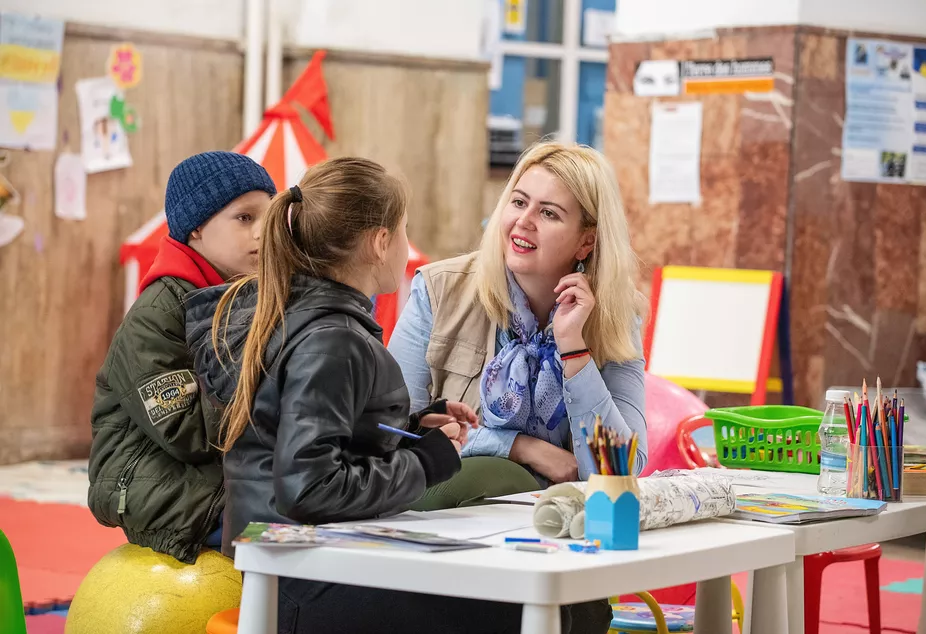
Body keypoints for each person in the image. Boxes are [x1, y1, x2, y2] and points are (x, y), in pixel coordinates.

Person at [184, 157, 612, 634]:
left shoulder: (317, 324)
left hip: (310, 564)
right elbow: (308, 487)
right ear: (380, 242)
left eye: (549, 212)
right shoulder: (332, 339)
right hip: (306, 578)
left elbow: (321, 439)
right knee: (566, 611)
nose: (409, 246)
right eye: (405, 229)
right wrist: (426, 463)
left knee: (570, 607)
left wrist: (407, 430)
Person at [389, 141, 648, 493]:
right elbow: (394, 431)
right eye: (519, 202)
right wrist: (518, 448)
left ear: (586, 242)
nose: (523, 222)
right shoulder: (440, 290)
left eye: (548, 213)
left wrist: (574, 349)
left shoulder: (616, 312)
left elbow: (621, 470)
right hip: (447, 514)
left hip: (557, 524)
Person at [87, 151, 276, 562]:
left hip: (221, 477)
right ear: (195, 230)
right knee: (286, 528)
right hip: (155, 487)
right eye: (245, 218)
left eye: (270, 218)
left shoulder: (246, 301)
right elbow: (187, 434)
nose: (264, 233)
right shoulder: (157, 314)